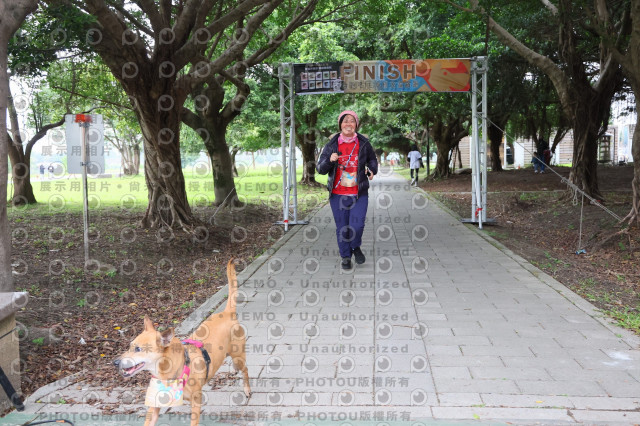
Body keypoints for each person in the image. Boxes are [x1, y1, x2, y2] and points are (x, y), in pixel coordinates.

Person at [316, 110, 378, 270]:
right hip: (337, 194)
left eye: (352, 120)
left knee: (357, 226)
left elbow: (372, 159)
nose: (348, 124)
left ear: (356, 124)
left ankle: (355, 246)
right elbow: (320, 168)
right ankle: (345, 256)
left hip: (359, 193)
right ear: (340, 124)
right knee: (342, 228)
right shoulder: (331, 145)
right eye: (345, 121)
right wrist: (330, 160)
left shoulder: (364, 143)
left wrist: (372, 170)